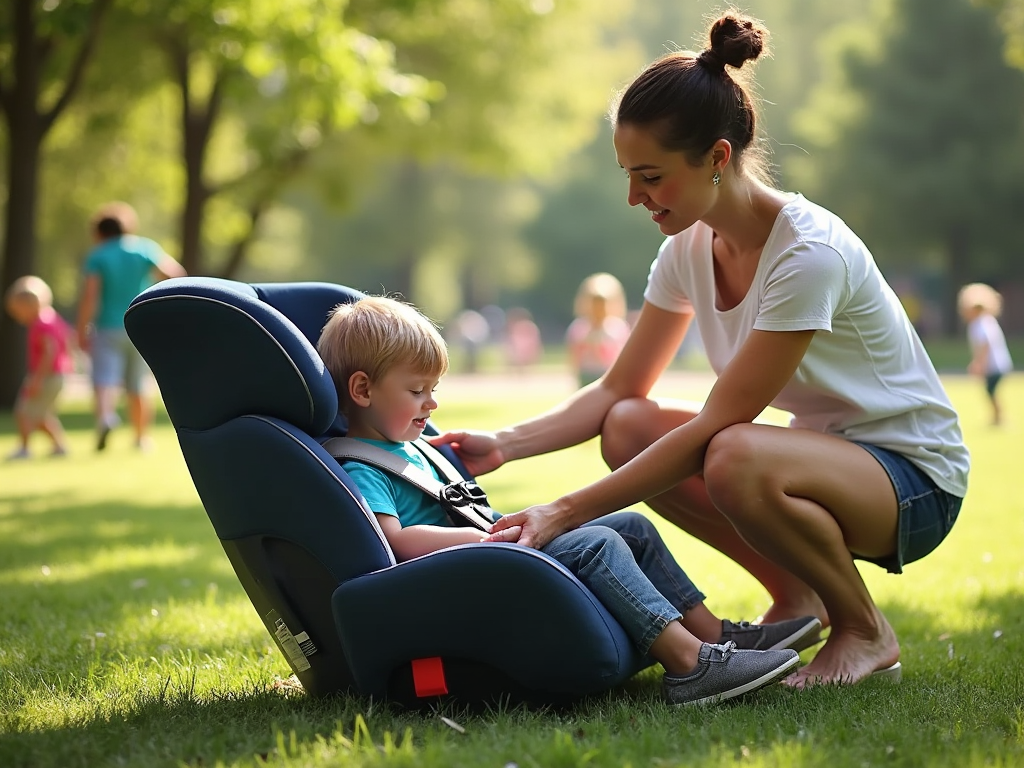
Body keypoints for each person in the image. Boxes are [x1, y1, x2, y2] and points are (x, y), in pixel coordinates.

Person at [430, 12, 969, 688]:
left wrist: (562, 512)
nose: (635, 197)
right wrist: (506, 443)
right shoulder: (686, 247)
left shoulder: (808, 254)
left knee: (734, 452)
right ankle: (798, 599)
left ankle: (865, 630)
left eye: (650, 176)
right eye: (628, 175)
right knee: (629, 424)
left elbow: (720, 426)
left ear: (716, 158)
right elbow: (615, 392)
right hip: (827, 459)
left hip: (915, 482)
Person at [316, 295, 818, 706]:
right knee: (596, 543)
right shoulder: (365, 467)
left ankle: (715, 639)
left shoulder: (412, 448)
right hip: (472, 568)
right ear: (362, 390)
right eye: (417, 390)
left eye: (434, 388)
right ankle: (690, 666)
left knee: (630, 528)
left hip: (489, 553)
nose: (433, 403)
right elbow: (397, 542)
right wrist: (479, 538)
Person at [76, 202, 186, 452]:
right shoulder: (144, 248)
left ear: (100, 232)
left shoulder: (99, 254)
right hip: (139, 324)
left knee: (105, 379)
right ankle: (140, 438)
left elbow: (90, 296)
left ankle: (105, 417)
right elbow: (175, 273)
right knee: (137, 383)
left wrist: (81, 329)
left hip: (107, 327)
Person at [3, 276, 73, 460]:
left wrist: (37, 380)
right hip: (56, 375)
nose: (19, 318)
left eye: (19, 312)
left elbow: (49, 352)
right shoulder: (53, 318)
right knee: (40, 414)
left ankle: (25, 448)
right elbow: (66, 341)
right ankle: (60, 446)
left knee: (23, 411)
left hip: (47, 376)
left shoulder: (42, 323)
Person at [957, 283, 1013, 426]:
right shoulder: (985, 321)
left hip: (995, 365)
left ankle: (999, 418)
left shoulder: (980, 323)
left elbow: (985, 344)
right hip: (996, 364)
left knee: (990, 391)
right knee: (990, 391)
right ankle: (997, 418)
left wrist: (978, 363)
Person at [566, 273, 632, 388]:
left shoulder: (616, 328)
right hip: (587, 374)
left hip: (608, 374)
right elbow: (574, 355)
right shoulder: (581, 328)